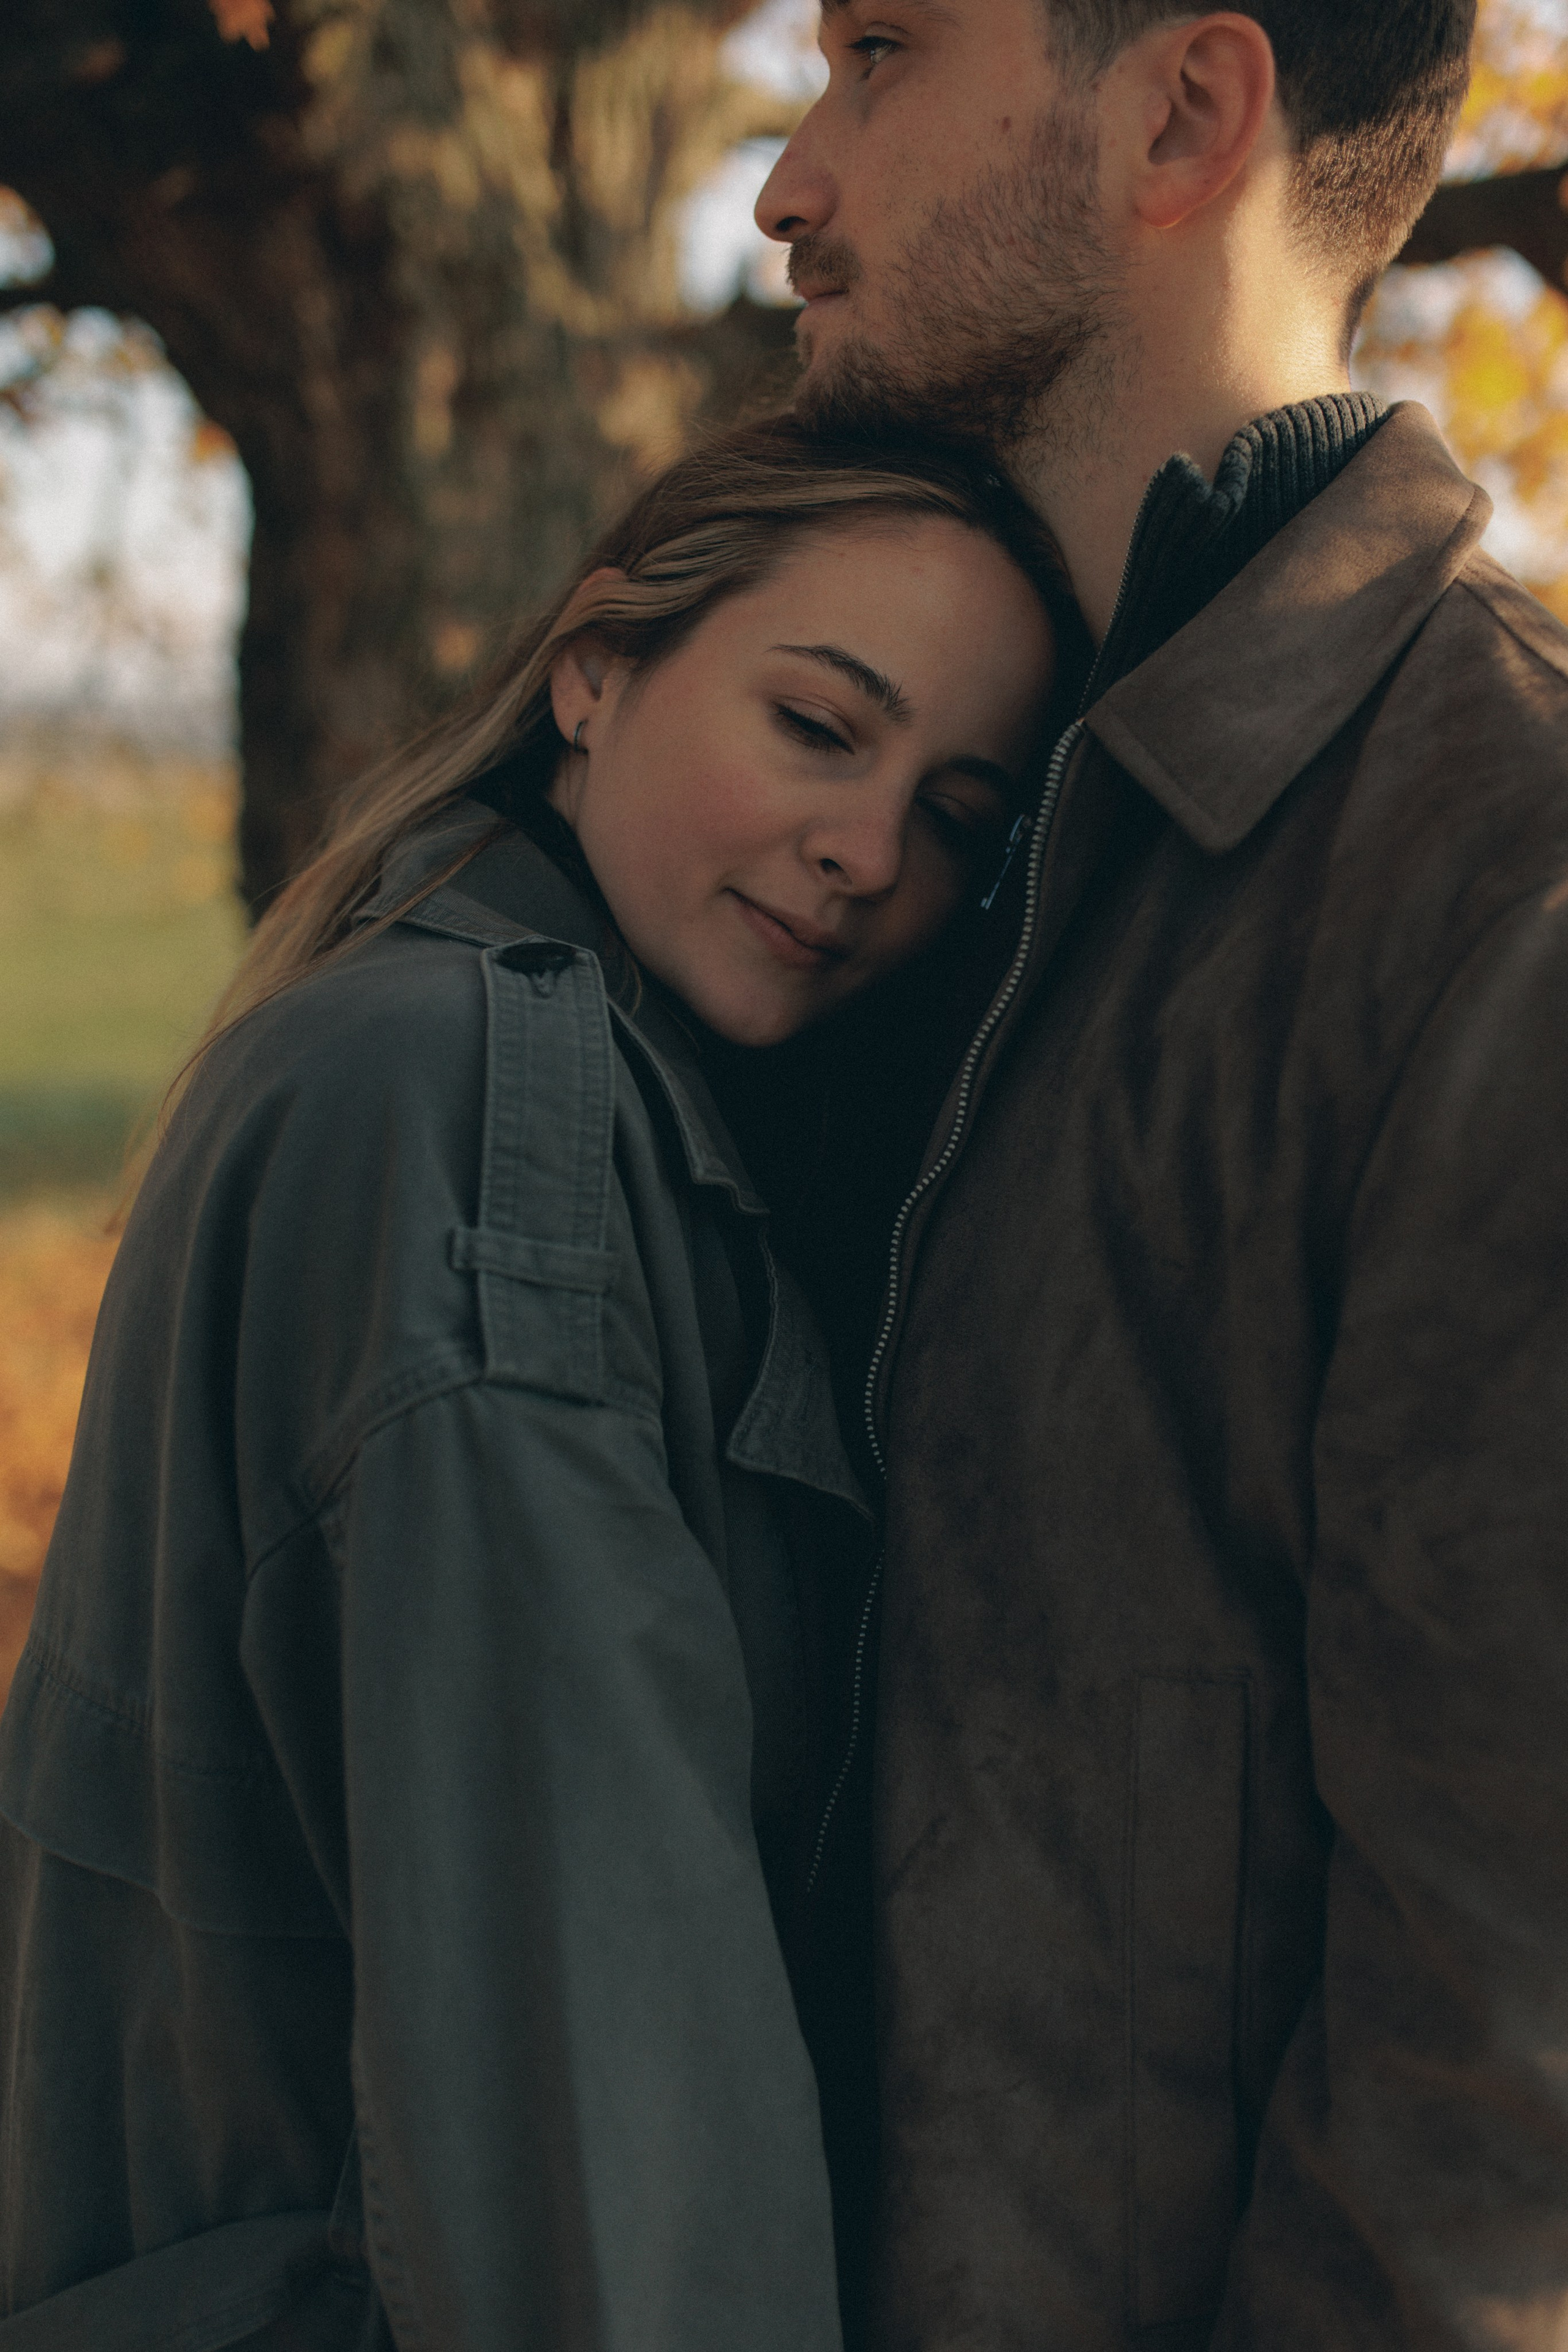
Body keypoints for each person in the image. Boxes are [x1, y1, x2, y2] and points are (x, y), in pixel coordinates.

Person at [0, 422, 1067, 2350]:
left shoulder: (459, 1049)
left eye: (962, 812)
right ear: (595, 667)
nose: (872, 848)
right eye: (823, 726)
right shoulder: (482, 1109)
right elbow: (602, 2080)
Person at [755, 6, 1568, 2348]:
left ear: (1184, 117)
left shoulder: (1502, 881)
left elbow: (1505, 2104)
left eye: (880, 57)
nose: (788, 184)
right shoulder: (874, 843)